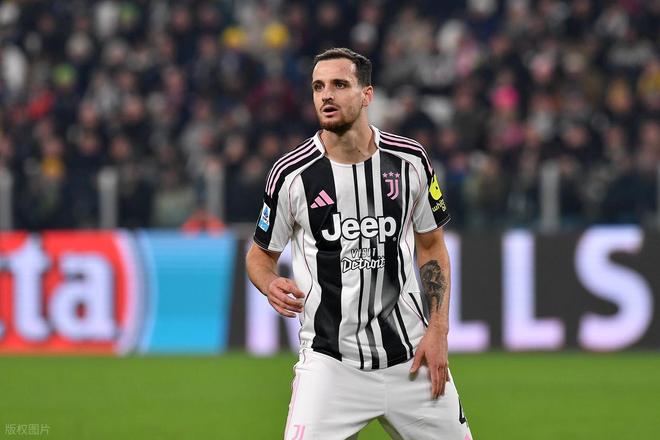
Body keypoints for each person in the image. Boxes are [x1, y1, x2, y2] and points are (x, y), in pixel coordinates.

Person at [246, 47, 473, 440]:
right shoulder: (291, 174)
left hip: (410, 358)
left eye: (339, 84)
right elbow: (259, 255)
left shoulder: (409, 161)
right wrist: (269, 283)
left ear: (367, 94)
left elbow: (432, 246)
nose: (326, 95)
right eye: (318, 87)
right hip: (330, 364)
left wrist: (438, 331)